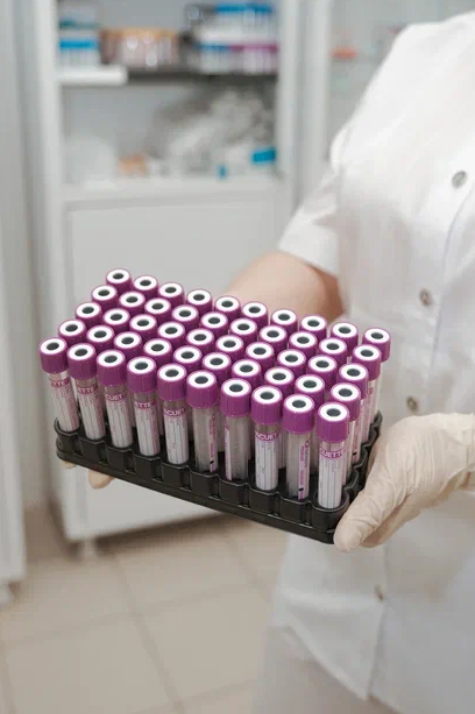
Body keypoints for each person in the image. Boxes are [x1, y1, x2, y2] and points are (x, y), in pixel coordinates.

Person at [86, 12, 475, 714]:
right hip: (334, 556)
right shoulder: (423, 52)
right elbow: (320, 255)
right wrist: (214, 345)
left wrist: (465, 449)